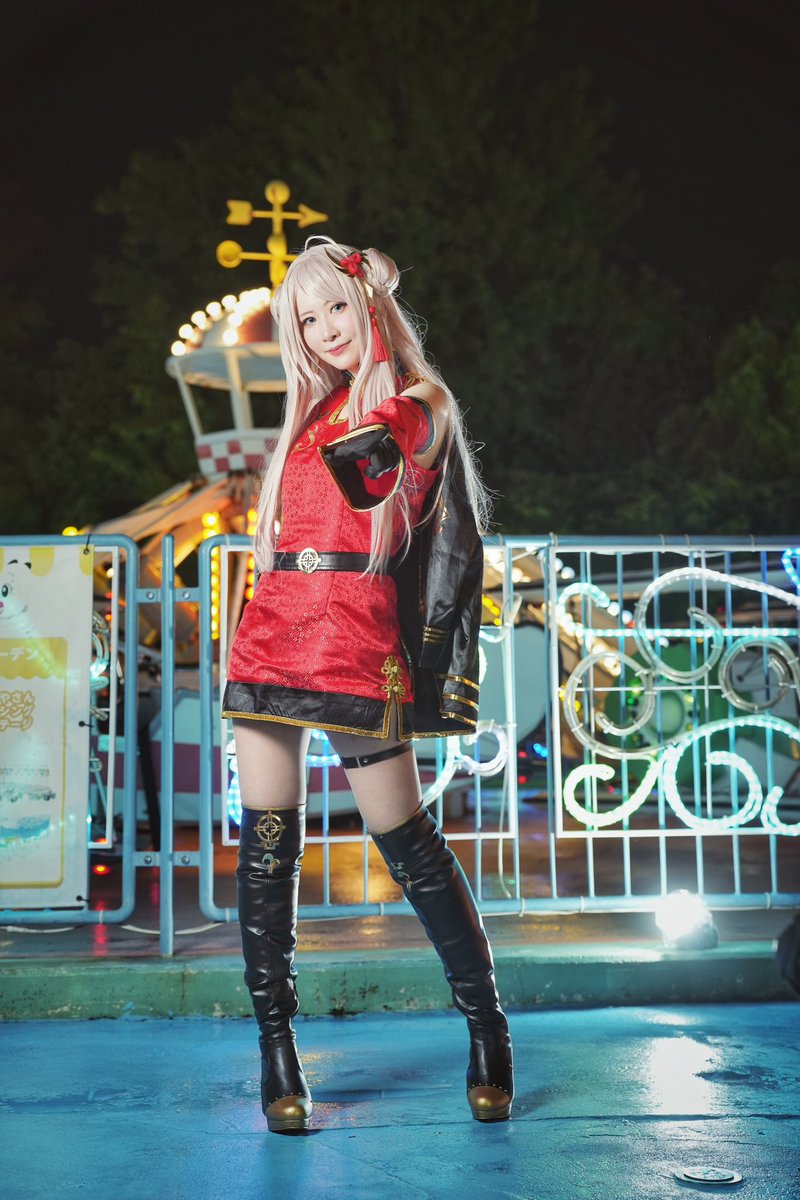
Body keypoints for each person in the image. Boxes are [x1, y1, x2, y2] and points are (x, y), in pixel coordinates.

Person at [222, 237, 513, 1134]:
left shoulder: (422, 401)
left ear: (371, 306)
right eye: (306, 320)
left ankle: (488, 1027)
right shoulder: (304, 418)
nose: (324, 330)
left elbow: (370, 462)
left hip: (356, 636)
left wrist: (375, 310)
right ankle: (277, 1052)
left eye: (337, 307)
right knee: (266, 850)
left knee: (408, 844)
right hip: (272, 627)